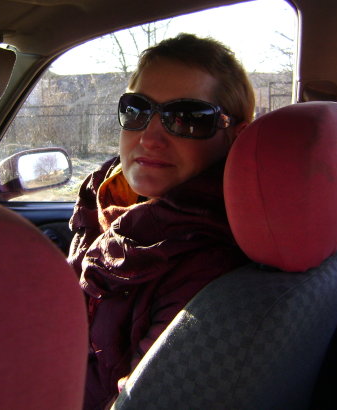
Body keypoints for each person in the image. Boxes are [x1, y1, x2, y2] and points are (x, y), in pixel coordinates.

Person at [67, 33, 255, 409]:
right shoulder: (105, 203)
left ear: (235, 136)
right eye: (137, 110)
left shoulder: (204, 265)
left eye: (188, 119)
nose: (150, 138)